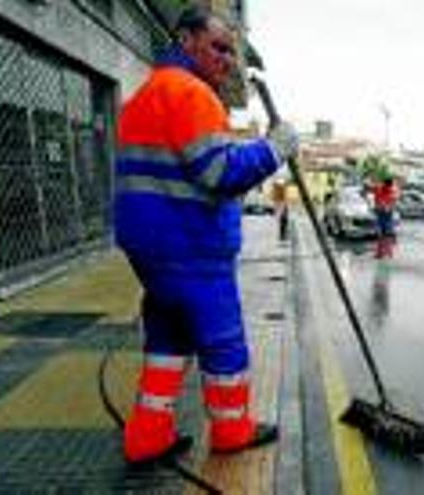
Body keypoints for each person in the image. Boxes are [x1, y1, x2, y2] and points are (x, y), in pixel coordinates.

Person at [114, 5, 298, 464]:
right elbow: (218, 171)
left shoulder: (144, 96)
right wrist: (275, 149)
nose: (228, 60)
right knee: (223, 342)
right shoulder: (192, 94)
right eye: (219, 47)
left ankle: (147, 436)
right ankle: (233, 431)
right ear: (185, 39)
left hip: (151, 252)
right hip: (191, 249)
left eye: (232, 52)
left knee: (167, 341)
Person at [371, 175, 398, 258]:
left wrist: (386, 206)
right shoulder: (382, 190)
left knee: (385, 235)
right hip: (383, 216)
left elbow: (392, 204)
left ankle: (385, 253)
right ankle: (383, 253)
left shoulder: (390, 192)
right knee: (383, 235)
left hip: (386, 217)